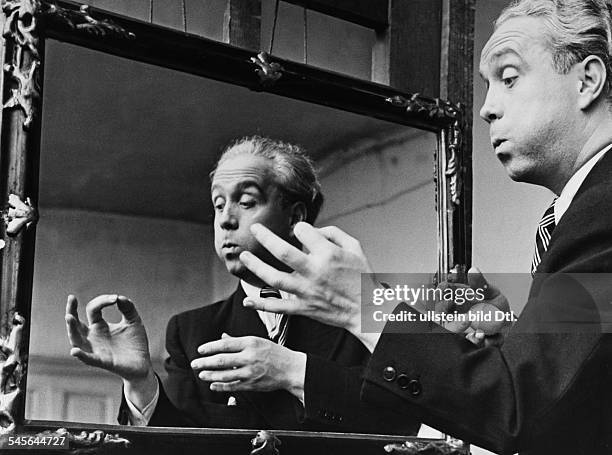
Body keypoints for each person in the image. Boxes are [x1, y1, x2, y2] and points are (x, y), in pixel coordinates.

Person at [237, 1, 612, 453]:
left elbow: (525, 410)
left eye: (509, 78)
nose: (486, 110)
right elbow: (577, 397)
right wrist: (515, 340)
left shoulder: (603, 208)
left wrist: (362, 303)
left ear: (587, 80)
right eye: (487, 86)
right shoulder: (586, 207)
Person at [64, 136, 419, 434]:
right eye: (218, 205)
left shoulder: (372, 303)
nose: (226, 220)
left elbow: (407, 420)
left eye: (246, 202)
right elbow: (182, 446)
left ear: (295, 216)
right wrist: (140, 383)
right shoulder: (191, 331)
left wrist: (290, 371)